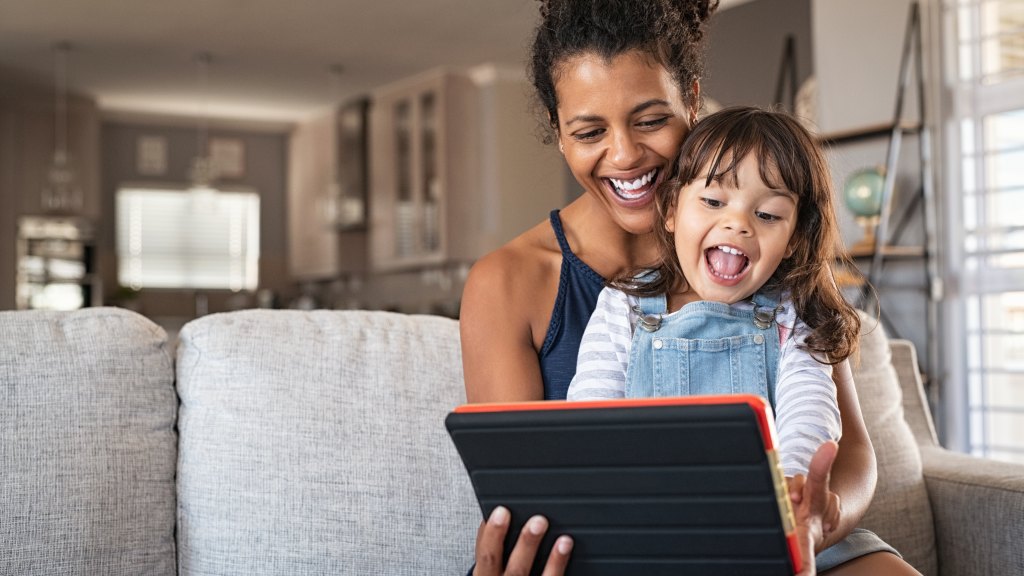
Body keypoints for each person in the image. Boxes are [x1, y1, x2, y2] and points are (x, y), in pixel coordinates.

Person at [459, 1, 920, 574]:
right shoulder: (508, 281)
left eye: (651, 120)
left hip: (790, 535)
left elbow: (848, 451)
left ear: (692, 100)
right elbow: (528, 488)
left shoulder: (770, 253)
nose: (625, 155)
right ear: (558, 132)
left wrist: (810, 523)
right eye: (590, 131)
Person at [567, 105, 903, 571]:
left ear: (793, 238)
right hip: (661, 531)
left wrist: (794, 497)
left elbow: (810, 408)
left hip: (784, 523)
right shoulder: (622, 306)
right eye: (713, 201)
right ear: (671, 209)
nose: (739, 223)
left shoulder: (794, 311)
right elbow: (590, 420)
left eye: (767, 214)